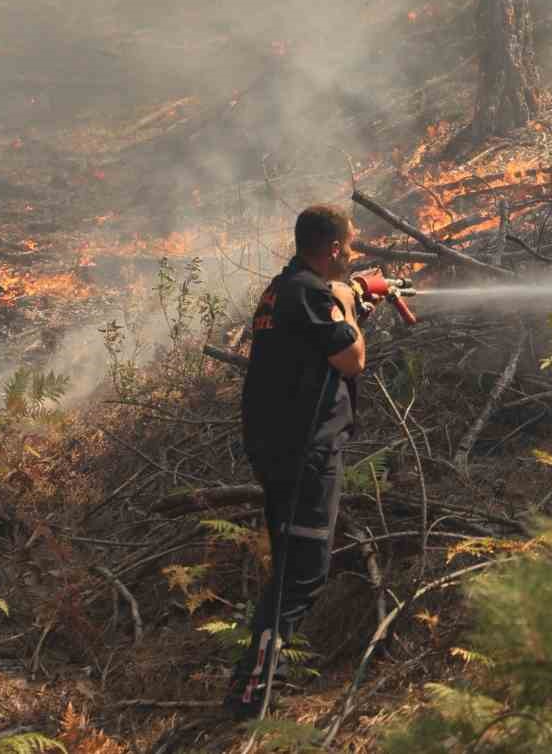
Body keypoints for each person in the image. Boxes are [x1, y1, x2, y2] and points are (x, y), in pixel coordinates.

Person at [224, 203, 373, 719]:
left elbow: (314, 345)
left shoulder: (285, 288)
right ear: (333, 247)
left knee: (296, 564)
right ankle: (251, 693)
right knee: (302, 571)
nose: (354, 254)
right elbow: (352, 358)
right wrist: (350, 304)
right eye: (350, 245)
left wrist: (350, 302)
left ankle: (256, 684)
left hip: (286, 446)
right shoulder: (312, 293)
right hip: (303, 450)